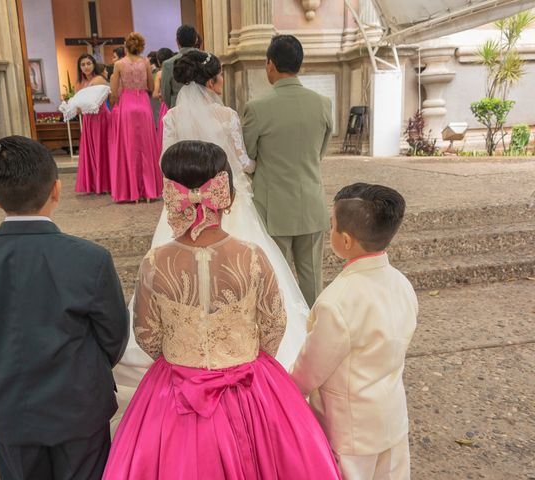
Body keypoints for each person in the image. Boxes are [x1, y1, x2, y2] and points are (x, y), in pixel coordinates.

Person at [103, 140, 341, 479]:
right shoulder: (253, 255)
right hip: (249, 383)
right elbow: (274, 324)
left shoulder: (155, 263)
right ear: (225, 195)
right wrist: (244, 355)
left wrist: (181, 354)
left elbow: (146, 334)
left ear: (171, 196)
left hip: (177, 386)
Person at [110, 50, 310, 429]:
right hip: (228, 209)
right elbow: (243, 162)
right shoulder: (227, 116)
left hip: (182, 210)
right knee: (246, 273)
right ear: (214, 80)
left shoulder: (170, 117)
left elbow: (164, 162)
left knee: (170, 273)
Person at [0, 136, 130, 480]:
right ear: (57, 190)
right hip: (79, 406)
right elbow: (114, 336)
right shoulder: (90, 260)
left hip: (11, 407)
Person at [291, 183, 418, 480]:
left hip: (350, 431)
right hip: (392, 418)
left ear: (345, 240)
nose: (329, 229)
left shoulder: (337, 301)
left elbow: (308, 373)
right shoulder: (402, 283)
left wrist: (281, 391)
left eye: (332, 225)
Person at [243, 34, 333, 307]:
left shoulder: (257, 108)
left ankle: (281, 336)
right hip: (311, 202)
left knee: (276, 279)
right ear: (299, 64)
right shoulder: (323, 104)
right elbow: (320, 153)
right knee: (312, 279)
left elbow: (247, 155)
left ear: (270, 64)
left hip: (273, 208)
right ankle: (314, 333)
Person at [109, 32, 162, 202]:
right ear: (141, 47)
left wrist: (118, 98)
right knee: (146, 147)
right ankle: (148, 191)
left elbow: (114, 90)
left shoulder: (118, 64)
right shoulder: (145, 62)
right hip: (143, 105)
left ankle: (131, 192)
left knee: (129, 147)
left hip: (127, 105)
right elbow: (150, 85)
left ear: (126, 46)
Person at [75, 53, 112, 194]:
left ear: (94, 65)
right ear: (79, 68)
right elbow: (78, 107)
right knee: (91, 150)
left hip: (101, 118)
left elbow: (104, 99)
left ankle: (104, 183)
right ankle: (93, 183)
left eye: (88, 63)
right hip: (88, 120)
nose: (86, 67)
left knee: (102, 149)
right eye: (83, 64)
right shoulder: (80, 84)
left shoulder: (99, 80)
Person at [160, 24, 199, 108]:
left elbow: (165, 93)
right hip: (201, 106)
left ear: (177, 41)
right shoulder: (206, 59)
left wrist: (173, 107)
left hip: (178, 107)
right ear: (196, 40)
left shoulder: (168, 64)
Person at [152, 47, 175, 149]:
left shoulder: (160, 74)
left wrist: (163, 94)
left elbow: (155, 94)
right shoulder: (177, 70)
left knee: (164, 136)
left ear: (158, 60)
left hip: (165, 106)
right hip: (176, 103)